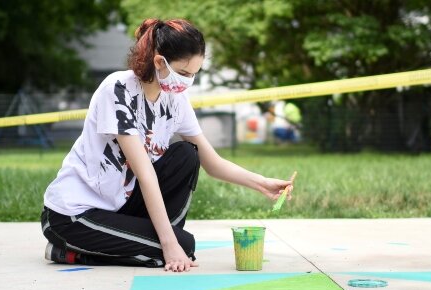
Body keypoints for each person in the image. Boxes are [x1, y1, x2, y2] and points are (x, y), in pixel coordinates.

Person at [41, 18, 294, 272]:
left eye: (194, 74)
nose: (188, 81)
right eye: (184, 73)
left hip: (119, 208)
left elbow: (213, 163)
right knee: (182, 245)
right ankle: (69, 252)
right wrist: (169, 243)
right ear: (160, 62)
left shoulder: (175, 99)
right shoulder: (118, 90)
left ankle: (155, 247)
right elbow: (145, 173)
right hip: (73, 215)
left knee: (186, 154)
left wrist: (263, 184)